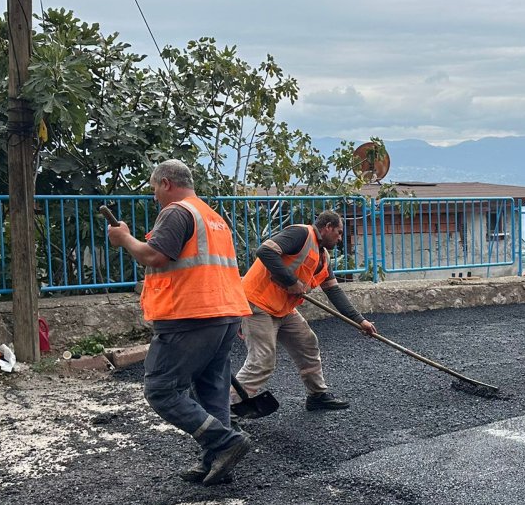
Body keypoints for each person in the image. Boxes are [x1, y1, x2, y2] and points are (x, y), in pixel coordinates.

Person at [107, 159, 253, 486]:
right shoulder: (213, 217)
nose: (155, 195)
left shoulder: (176, 212)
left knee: (161, 389)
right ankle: (217, 459)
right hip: (225, 314)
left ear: (167, 183)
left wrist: (125, 239)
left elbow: (154, 255)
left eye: (155, 188)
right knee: (211, 388)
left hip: (190, 315)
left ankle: (225, 442)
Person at [231, 210, 378, 413]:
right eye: (339, 232)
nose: (340, 238)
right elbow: (264, 251)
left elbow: (334, 291)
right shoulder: (301, 234)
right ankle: (227, 407)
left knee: (307, 344)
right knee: (262, 360)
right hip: (258, 305)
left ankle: (317, 395)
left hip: (283, 309)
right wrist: (291, 281)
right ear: (327, 227)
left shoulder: (323, 257)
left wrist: (360, 321)